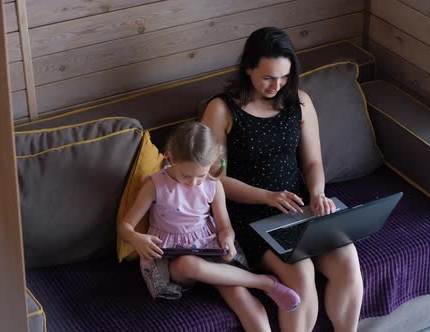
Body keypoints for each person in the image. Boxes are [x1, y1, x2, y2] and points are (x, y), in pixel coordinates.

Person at [201, 27, 364, 332]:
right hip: (250, 213)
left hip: (300, 206)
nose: (277, 85)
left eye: (284, 77)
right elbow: (214, 180)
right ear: (248, 68)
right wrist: (266, 196)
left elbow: (313, 161)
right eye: (268, 77)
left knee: (348, 259)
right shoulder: (222, 109)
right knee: (300, 272)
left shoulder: (299, 102)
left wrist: (317, 194)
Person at [117, 121, 300, 331]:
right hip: (171, 258)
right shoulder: (155, 185)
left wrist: (227, 239)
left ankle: (262, 288)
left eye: (200, 175)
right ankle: (264, 283)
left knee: (238, 294)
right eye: (186, 175)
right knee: (189, 265)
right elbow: (125, 227)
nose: (194, 183)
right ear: (170, 158)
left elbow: (224, 227)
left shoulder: (213, 184)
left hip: (207, 247)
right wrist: (137, 238)